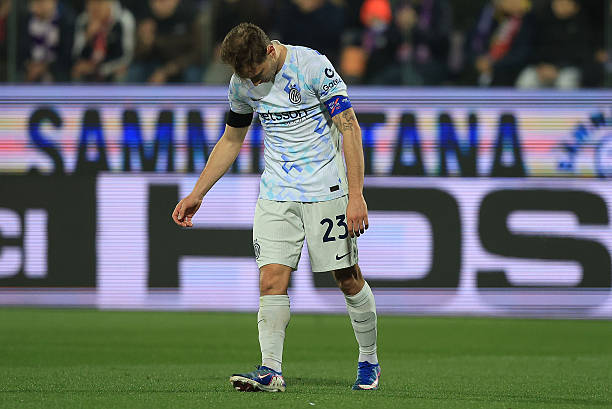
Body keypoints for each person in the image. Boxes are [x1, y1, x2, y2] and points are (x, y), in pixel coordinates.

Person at [171, 22, 380, 392]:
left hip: (326, 189)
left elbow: (349, 127)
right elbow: (231, 139)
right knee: (271, 278)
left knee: (346, 277)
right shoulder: (240, 83)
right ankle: (270, 370)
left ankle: (369, 360)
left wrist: (356, 195)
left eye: (256, 73)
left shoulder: (311, 66)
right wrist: (197, 193)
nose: (252, 82)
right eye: (244, 76)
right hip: (276, 192)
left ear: (270, 51)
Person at [516, 0, 591, 89]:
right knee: (527, 80)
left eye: (566, 4)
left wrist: (558, 68)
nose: (561, 7)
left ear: (575, 7)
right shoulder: (542, 21)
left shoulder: (581, 25)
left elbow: (580, 54)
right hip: (541, 67)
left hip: (568, 68)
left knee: (565, 82)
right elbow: (533, 48)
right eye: (558, 3)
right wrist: (540, 65)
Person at [128, 0, 204, 84]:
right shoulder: (145, 15)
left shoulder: (189, 14)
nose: (160, 4)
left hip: (182, 63)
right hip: (155, 62)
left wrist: (166, 71)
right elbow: (136, 56)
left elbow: (197, 52)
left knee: (192, 75)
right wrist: (145, 43)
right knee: (135, 71)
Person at [71, 0, 134, 82]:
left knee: (121, 72)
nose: (95, 7)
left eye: (99, 2)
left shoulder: (123, 19)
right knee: (76, 70)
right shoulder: (83, 20)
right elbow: (75, 54)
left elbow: (126, 57)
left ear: (110, 3)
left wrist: (100, 69)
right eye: (90, 3)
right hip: (90, 67)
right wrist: (87, 37)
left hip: (112, 67)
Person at [19, 0, 74, 83]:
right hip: (27, 72)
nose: (38, 5)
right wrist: (29, 65)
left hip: (56, 74)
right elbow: (18, 51)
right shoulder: (24, 21)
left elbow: (67, 55)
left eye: (42, 1)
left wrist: (45, 67)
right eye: (35, 2)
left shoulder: (66, 21)